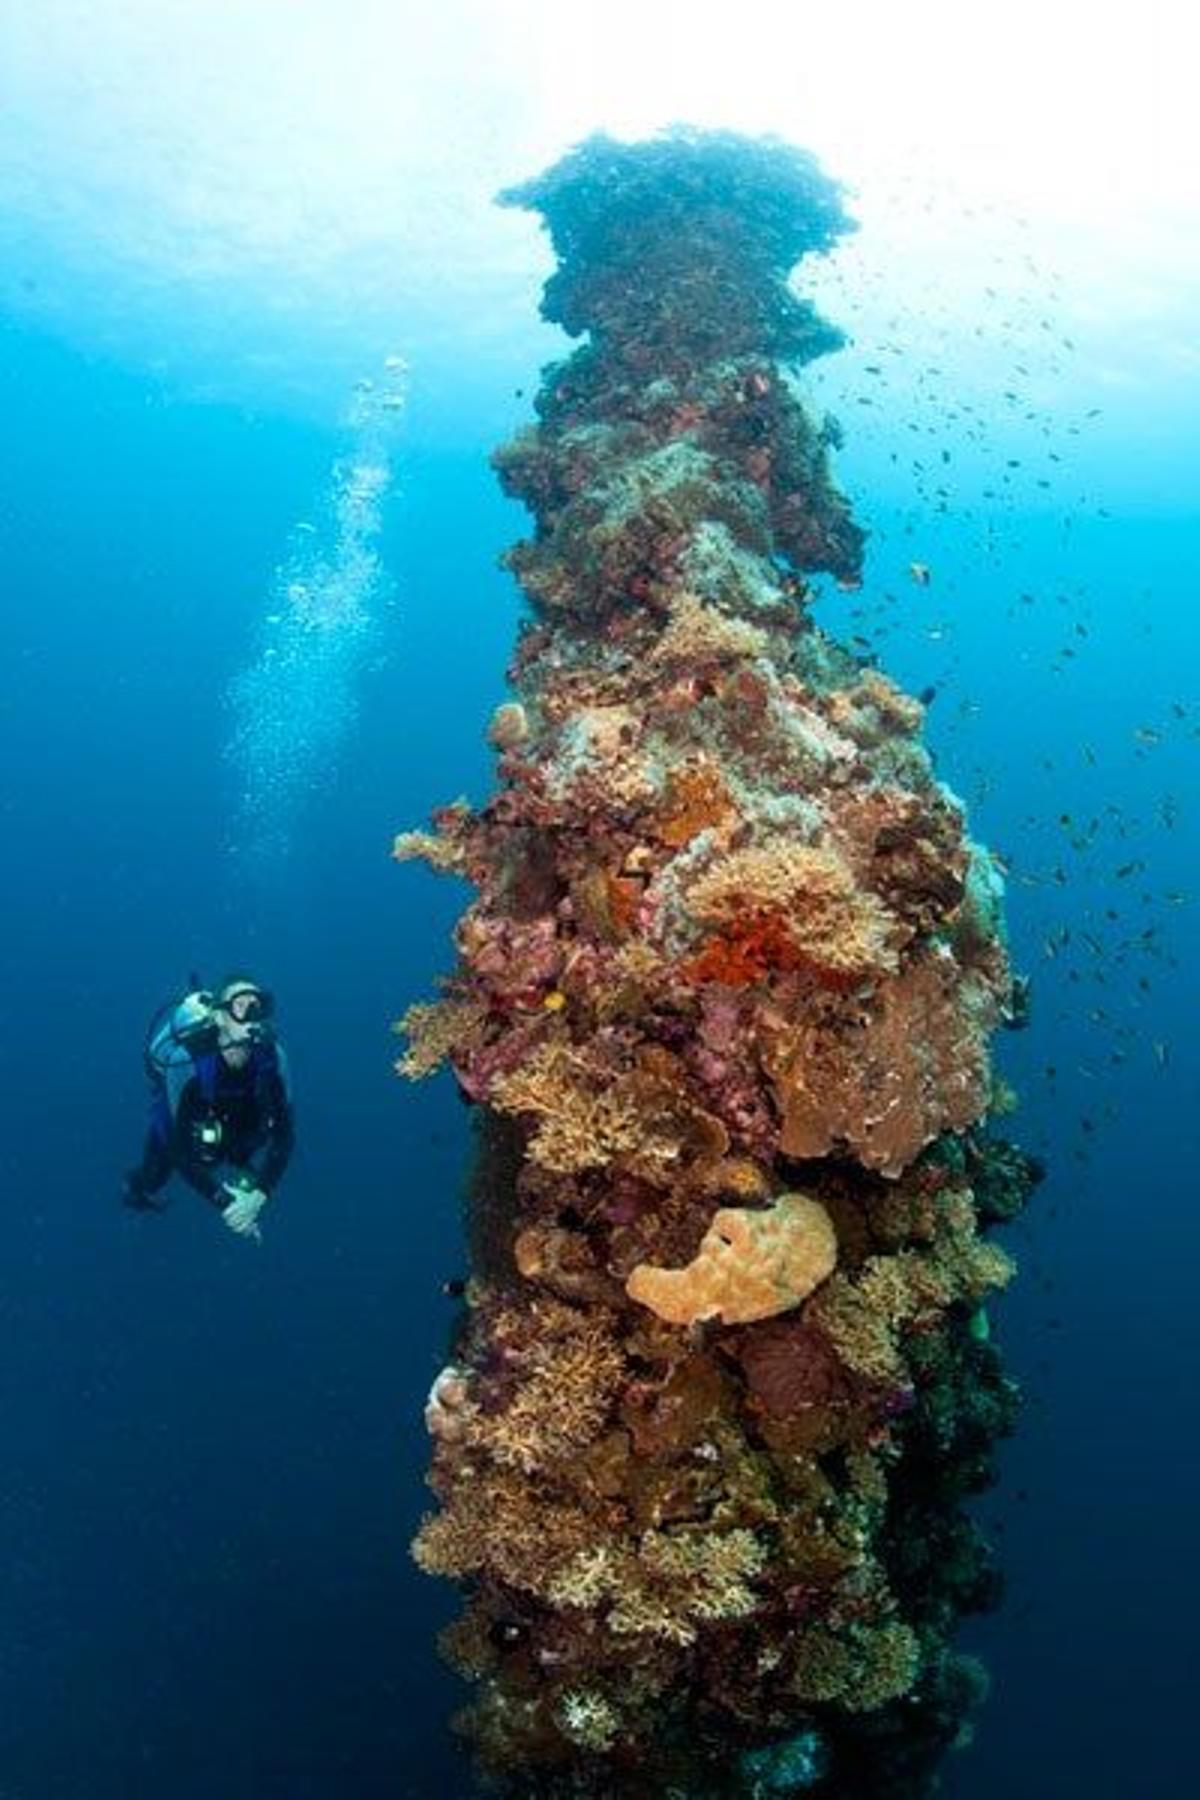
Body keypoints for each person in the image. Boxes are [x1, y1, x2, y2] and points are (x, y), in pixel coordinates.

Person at [124, 976, 294, 1241]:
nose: (251, 1015)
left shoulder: (273, 1058)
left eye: (256, 1006)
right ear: (219, 1017)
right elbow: (180, 1152)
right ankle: (135, 1191)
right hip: (181, 1131)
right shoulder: (187, 1061)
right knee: (153, 1178)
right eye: (240, 1006)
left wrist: (259, 1196)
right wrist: (227, 1205)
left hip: (236, 1127)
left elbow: (285, 1137)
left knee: (247, 1154)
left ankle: (239, 1174)